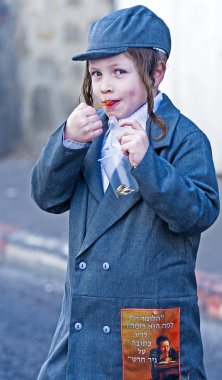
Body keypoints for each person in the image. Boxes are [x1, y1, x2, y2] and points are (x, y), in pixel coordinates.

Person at [31, 5, 220, 380]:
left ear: (156, 73)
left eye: (119, 72)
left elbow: (199, 213)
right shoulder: (88, 131)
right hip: (84, 319)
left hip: (147, 325)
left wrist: (148, 164)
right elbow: (46, 196)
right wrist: (66, 142)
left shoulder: (184, 138)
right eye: (97, 72)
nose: (104, 85)